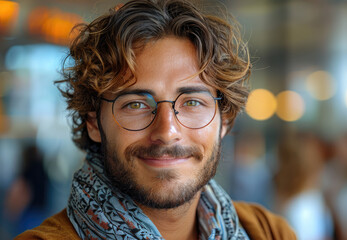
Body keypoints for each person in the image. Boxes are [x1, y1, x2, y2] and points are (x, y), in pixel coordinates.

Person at [16, 0, 296, 239]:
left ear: (224, 120)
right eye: (136, 104)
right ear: (93, 122)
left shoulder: (268, 231)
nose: (167, 131)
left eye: (192, 102)